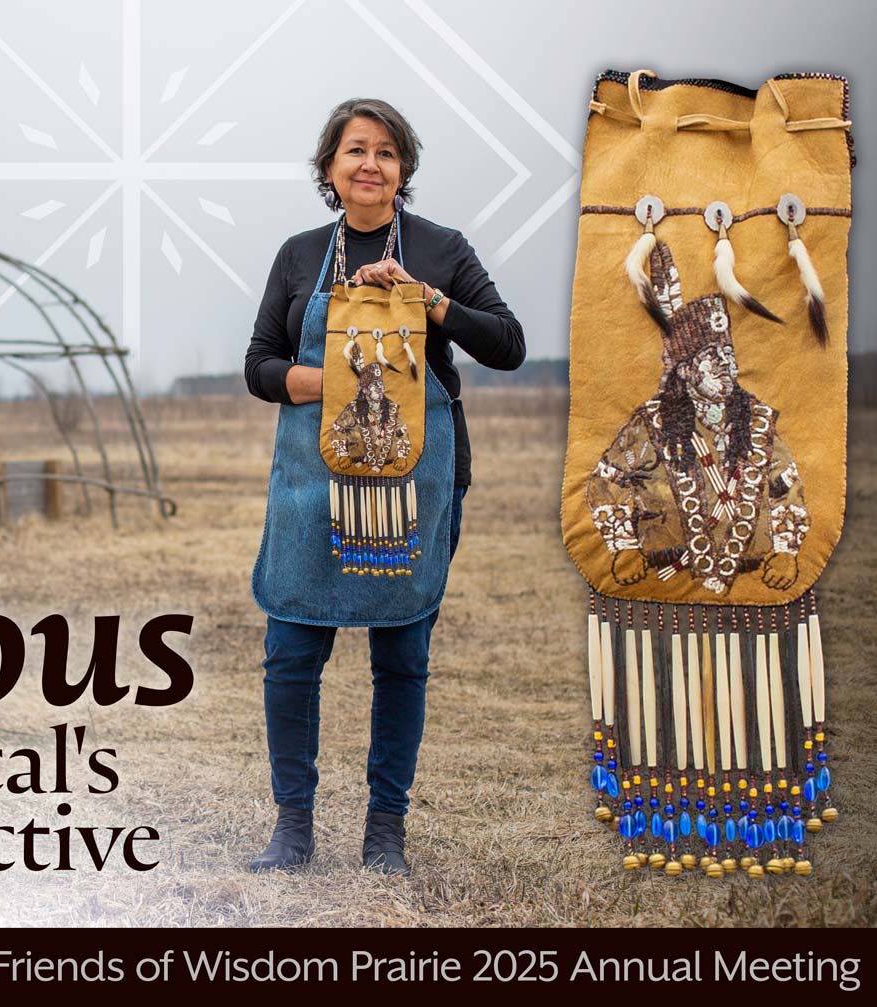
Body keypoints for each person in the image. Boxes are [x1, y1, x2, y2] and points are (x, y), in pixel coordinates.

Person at [242, 98, 525, 874]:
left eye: (387, 152)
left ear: (403, 169)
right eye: (355, 149)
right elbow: (258, 363)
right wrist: (321, 381)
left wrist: (429, 299)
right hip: (314, 481)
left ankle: (385, 833)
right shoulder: (300, 255)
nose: (370, 164)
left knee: (401, 657)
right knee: (290, 653)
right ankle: (292, 827)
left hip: (414, 482)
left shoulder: (441, 248)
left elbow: (508, 344)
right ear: (330, 168)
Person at [585, 239, 807, 596]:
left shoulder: (758, 422)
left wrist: (785, 551)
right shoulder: (653, 425)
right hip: (664, 581)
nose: (726, 365)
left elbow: (787, 486)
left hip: (752, 582)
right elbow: (606, 480)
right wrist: (624, 545)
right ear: (687, 371)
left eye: (728, 355)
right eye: (713, 357)